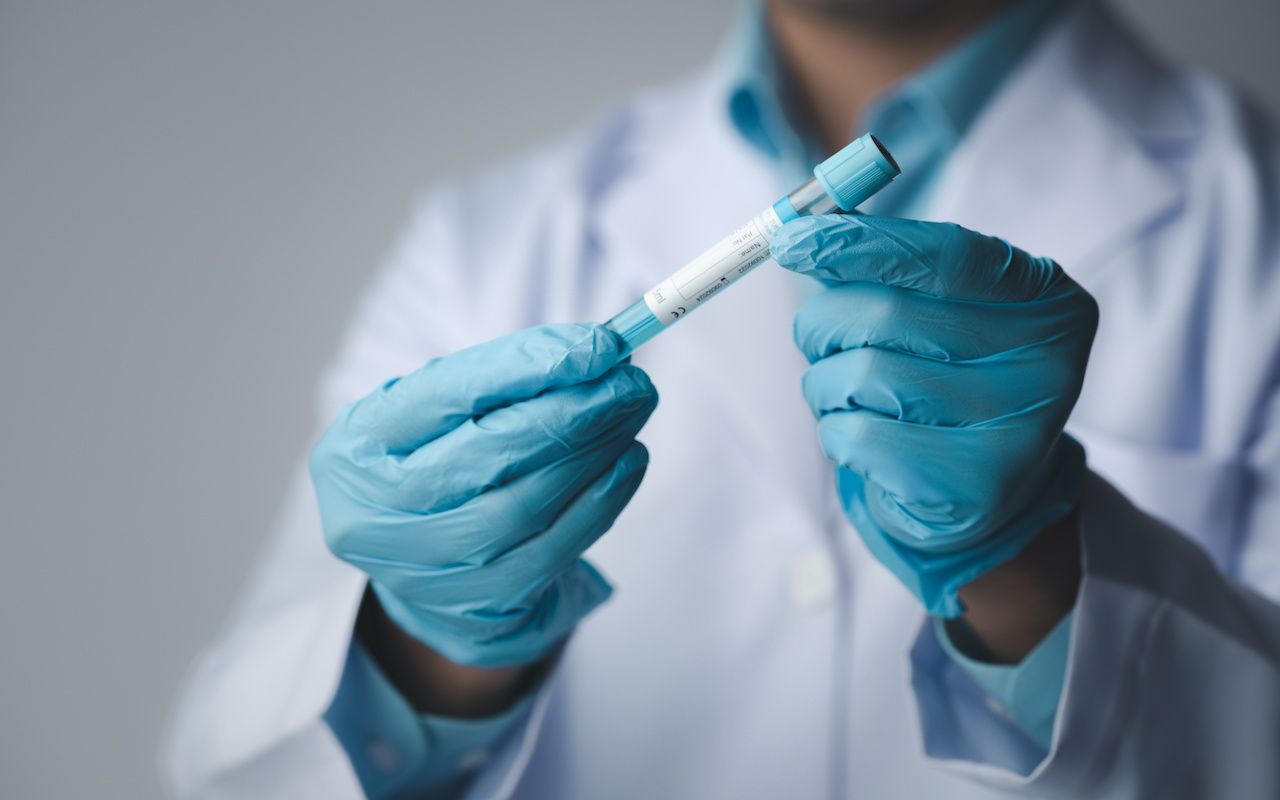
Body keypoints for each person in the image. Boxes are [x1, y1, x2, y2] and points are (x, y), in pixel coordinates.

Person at [163, 0, 1280, 796]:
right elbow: (231, 769)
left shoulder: (1251, 216)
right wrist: (431, 646)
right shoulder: (482, 239)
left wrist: (1031, 568)